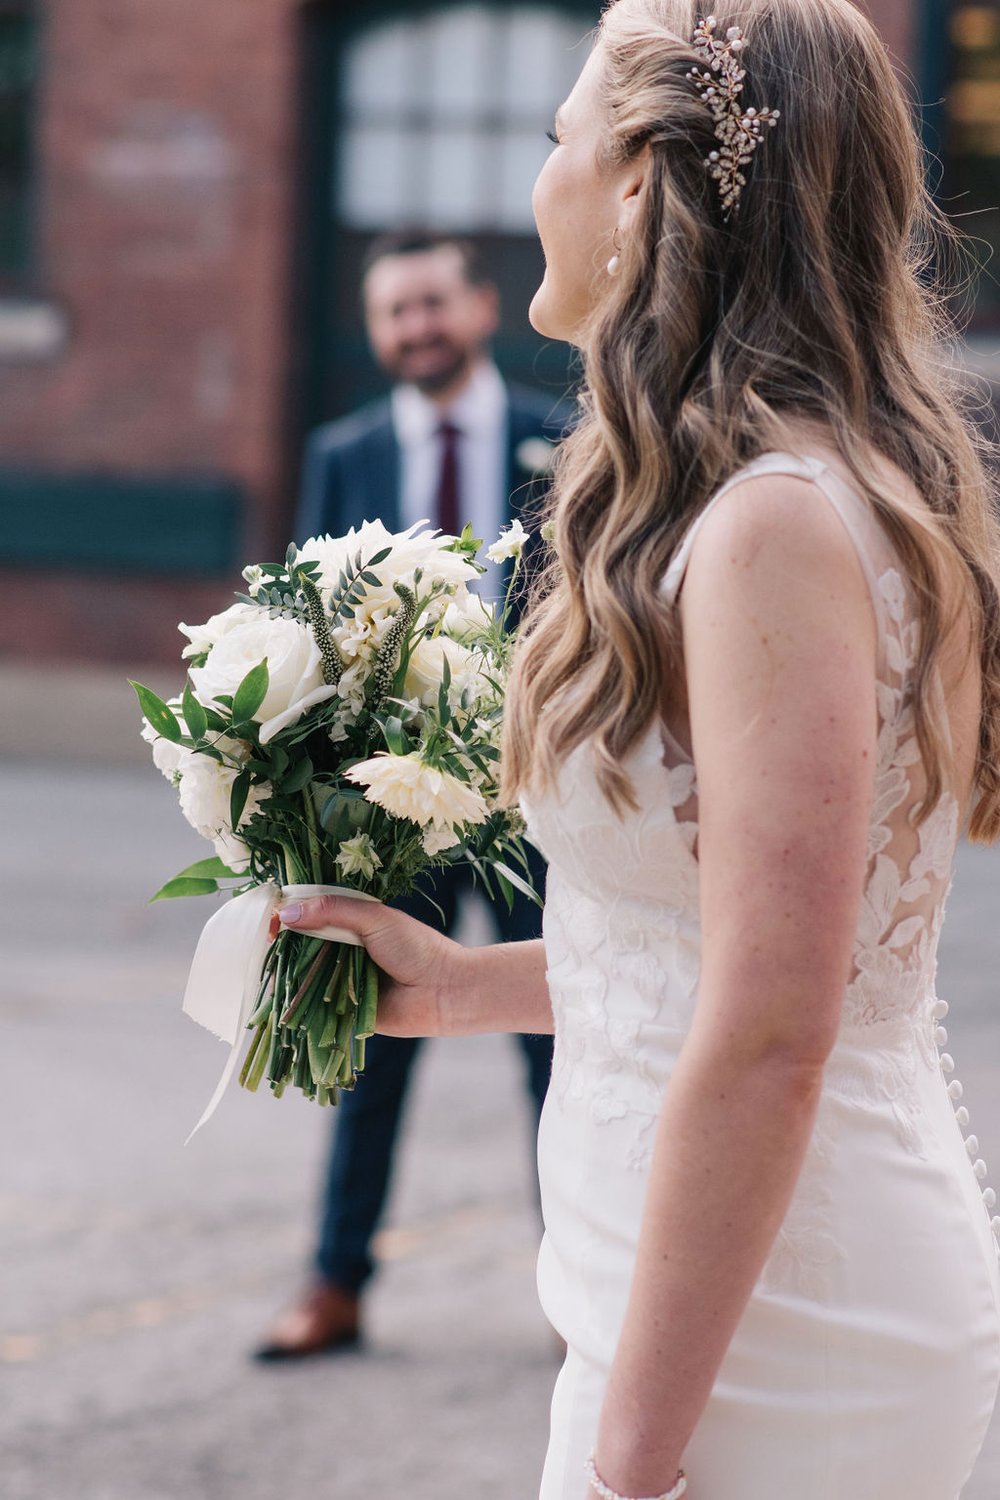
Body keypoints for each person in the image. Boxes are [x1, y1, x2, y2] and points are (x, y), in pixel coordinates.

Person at [276, 2, 1000, 1496]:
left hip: (780, 1331)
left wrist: (630, 1463)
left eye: (557, 139)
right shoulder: (759, 496)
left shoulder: (773, 529)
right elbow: (717, 952)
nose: (533, 179)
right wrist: (470, 984)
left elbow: (773, 1028)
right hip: (693, 1294)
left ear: (634, 185)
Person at [254, 232, 566, 1361]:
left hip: (537, 802)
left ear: (481, 307)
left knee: (558, 1045)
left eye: (432, 302)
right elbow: (308, 634)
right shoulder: (342, 452)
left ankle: (575, 1298)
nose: (414, 326)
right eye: (393, 311)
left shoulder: (561, 440)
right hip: (393, 812)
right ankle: (335, 1284)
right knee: (371, 1050)